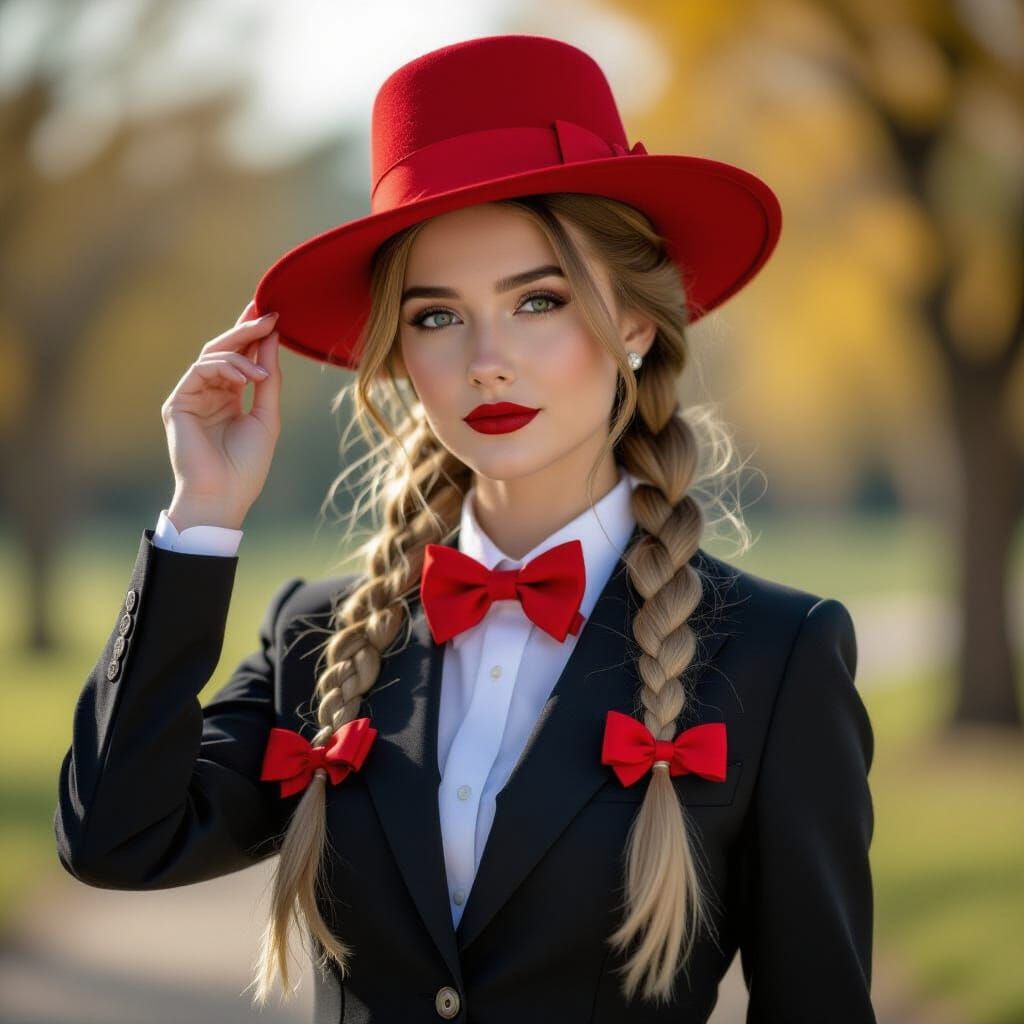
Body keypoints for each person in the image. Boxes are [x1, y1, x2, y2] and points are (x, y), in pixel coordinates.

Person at [54, 33, 876, 1024]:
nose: (486, 360)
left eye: (537, 300)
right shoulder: (316, 636)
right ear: (397, 352)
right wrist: (201, 517)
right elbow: (114, 840)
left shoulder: (776, 656)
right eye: (436, 316)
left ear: (634, 325)